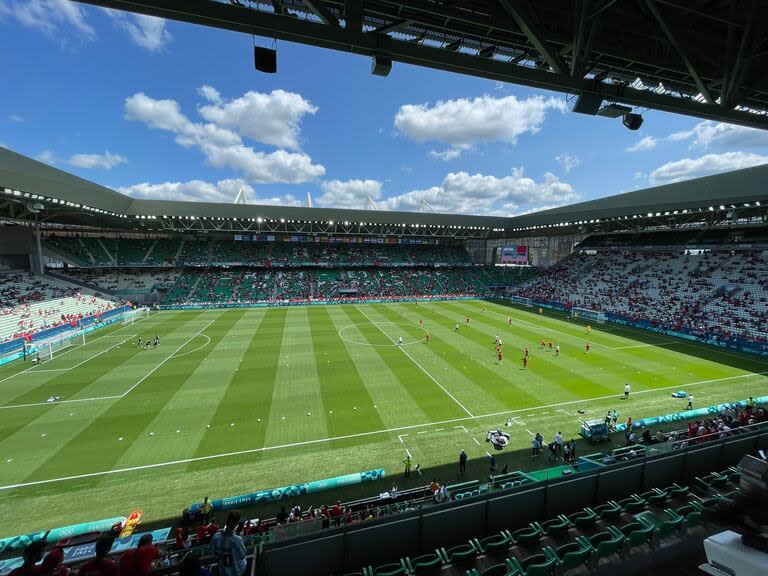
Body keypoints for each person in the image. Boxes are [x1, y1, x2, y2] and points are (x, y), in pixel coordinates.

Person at [211, 510, 248, 576]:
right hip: (237, 572)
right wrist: (240, 537)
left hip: (222, 572)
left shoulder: (215, 536)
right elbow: (242, 555)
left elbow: (212, 550)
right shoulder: (237, 540)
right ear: (237, 524)